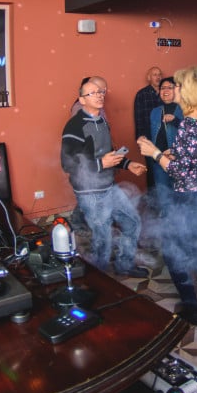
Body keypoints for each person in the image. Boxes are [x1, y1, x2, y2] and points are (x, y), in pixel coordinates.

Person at [137, 66, 197, 326]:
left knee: (172, 250)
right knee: (196, 244)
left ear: (187, 90)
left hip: (187, 197)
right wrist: (174, 154)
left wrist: (155, 153)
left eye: (177, 85)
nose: (173, 89)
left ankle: (191, 307)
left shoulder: (189, 124)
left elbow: (180, 172)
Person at [61, 77, 149, 277]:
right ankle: (100, 278)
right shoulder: (74, 126)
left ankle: (124, 265)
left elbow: (108, 154)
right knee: (103, 237)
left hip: (109, 186)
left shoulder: (101, 121)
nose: (99, 95)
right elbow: (68, 164)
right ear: (82, 100)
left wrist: (127, 164)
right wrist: (101, 164)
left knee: (132, 222)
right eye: (92, 93)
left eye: (100, 92)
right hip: (89, 191)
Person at [147, 76, 182, 208]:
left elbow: (191, 132)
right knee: (163, 195)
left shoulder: (184, 109)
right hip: (159, 159)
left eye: (169, 88)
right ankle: (167, 217)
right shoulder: (155, 111)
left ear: (177, 90)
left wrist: (175, 120)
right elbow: (151, 133)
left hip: (179, 160)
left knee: (180, 196)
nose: (165, 91)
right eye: (162, 88)